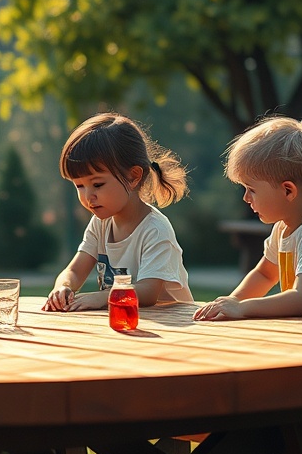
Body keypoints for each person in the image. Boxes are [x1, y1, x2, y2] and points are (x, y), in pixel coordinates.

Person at [193, 116, 302, 321]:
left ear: (287, 191)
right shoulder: (284, 226)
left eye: (252, 189)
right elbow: (265, 274)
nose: (246, 198)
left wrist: (242, 308)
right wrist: (231, 303)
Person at [42, 112, 193, 312]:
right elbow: (75, 271)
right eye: (79, 186)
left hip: (171, 325)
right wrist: (63, 287)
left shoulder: (155, 230)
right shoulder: (100, 223)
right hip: (130, 321)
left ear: (133, 176)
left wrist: (103, 297)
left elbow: (148, 292)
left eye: (97, 184)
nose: (88, 196)